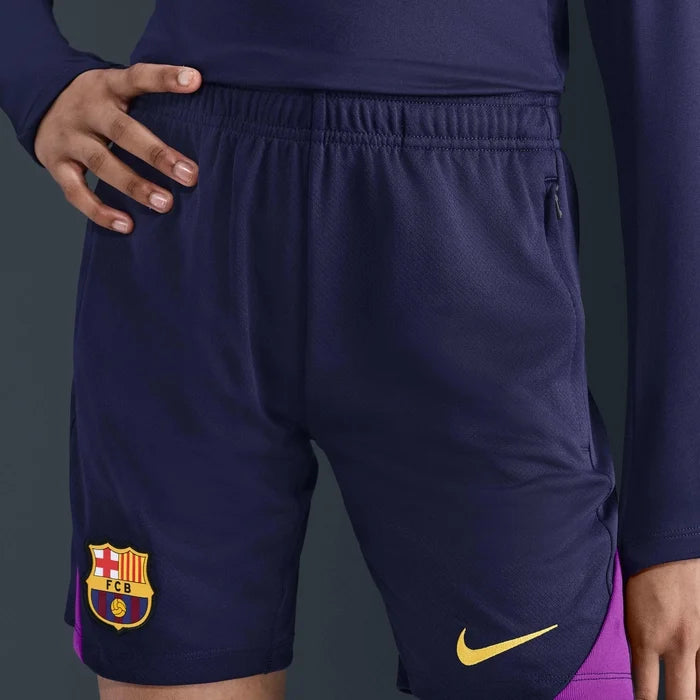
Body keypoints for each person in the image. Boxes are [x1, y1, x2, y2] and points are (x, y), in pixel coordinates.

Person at [1, 2, 699, 699]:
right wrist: (36, 76)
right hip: (185, 213)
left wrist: (679, 523)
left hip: (463, 223)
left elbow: (674, 66)